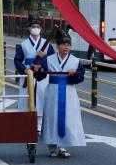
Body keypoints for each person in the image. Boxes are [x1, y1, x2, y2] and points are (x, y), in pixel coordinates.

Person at [33, 30, 85, 158]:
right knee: (52, 118)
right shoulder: (49, 60)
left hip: (69, 92)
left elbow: (80, 77)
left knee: (67, 118)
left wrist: (74, 75)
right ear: (58, 46)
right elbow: (40, 76)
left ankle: (63, 146)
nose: (66, 47)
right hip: (53, 92)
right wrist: (37, 70)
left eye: (68, 44)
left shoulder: (75, 61)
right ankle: (52, 147)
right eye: (63, 44)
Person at [14, 14, 55, 131]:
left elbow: (52, 61)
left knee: (42, 97)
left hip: (42, 75)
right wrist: (24, 69)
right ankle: (26, 123)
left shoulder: (47, 44)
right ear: (29, 28)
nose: (35, 28)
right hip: (29, 74)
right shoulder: (24, 44)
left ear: (41, 28)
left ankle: (40, 124)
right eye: (33, 26)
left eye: (37, 26)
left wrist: (44, 58)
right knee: (26, 97)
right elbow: (17, 60)